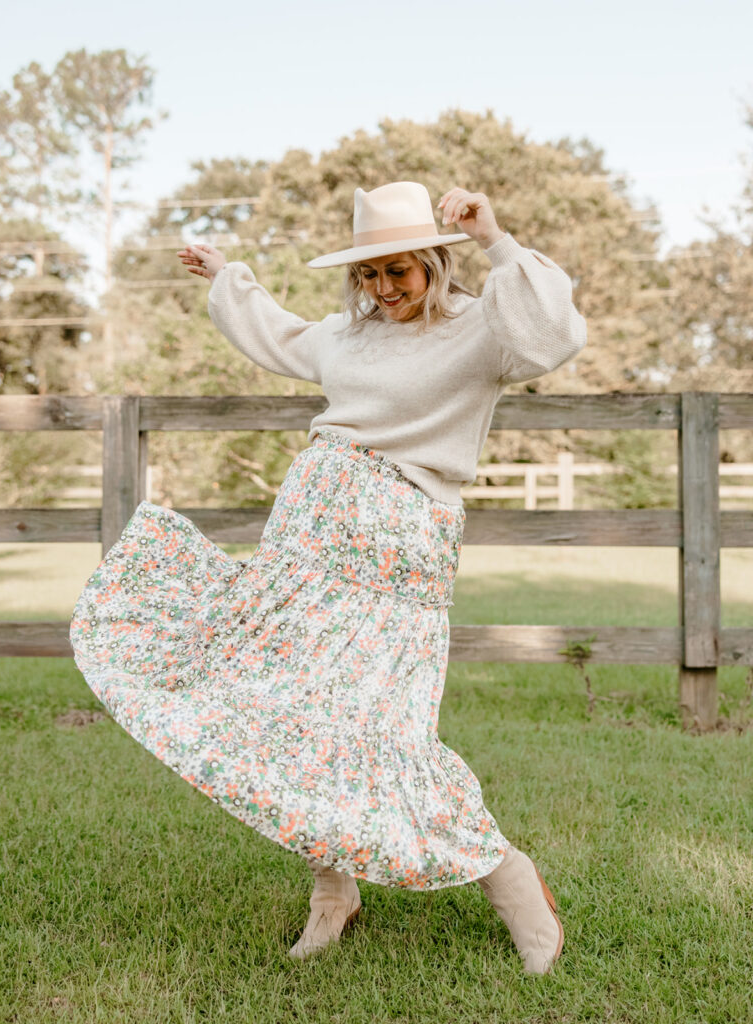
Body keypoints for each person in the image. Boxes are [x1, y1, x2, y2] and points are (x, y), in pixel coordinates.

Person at [70, 181, 586, 976]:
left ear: (434, 265)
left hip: (400, 551)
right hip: (308, 538)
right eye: (369, 275)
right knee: (288, 713)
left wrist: (495, 237)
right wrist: (227, 275)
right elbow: (280, 335)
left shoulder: (485, 327)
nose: (384, 289)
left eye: (400, 273)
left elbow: (554, 335)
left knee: (383, 728)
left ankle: (508, 879)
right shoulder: (349, 336)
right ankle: (332, 891)